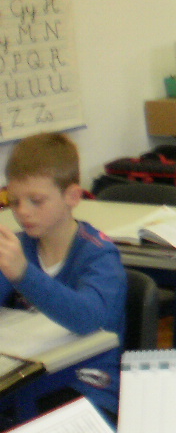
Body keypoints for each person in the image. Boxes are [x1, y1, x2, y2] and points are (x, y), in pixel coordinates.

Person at [0, 132, 126, 340]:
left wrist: (23, 274)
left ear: (72, 196)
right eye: (14, 201)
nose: (22, 211)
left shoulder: (100, 255)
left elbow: (89, 320)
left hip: (88, 359)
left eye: (36, 200)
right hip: (32, 355)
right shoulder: (19, 246)